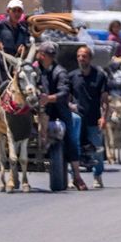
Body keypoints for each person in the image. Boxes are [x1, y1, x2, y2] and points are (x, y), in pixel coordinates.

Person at [38, 42, 88, 190]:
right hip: (38, 111)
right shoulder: (35, 69)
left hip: (58, 111)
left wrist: (49, 98)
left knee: (70, 139)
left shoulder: (60, 72)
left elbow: (64, 92)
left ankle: (77, 176)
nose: (47, 57)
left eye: (50, 55)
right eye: (47, 54)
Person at [69, 45, 109, 189]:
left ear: (90, 58)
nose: (81, 58)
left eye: (84, 56)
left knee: (97, 150)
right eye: (79, 56)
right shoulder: (72, 76)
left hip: (94, 119)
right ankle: (73, 177)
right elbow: (67, 97)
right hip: (77, 120)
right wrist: (69, 107)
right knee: (74, 148)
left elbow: (104, 99)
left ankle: (97, 176)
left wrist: (104, 117)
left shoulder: (99, 75)